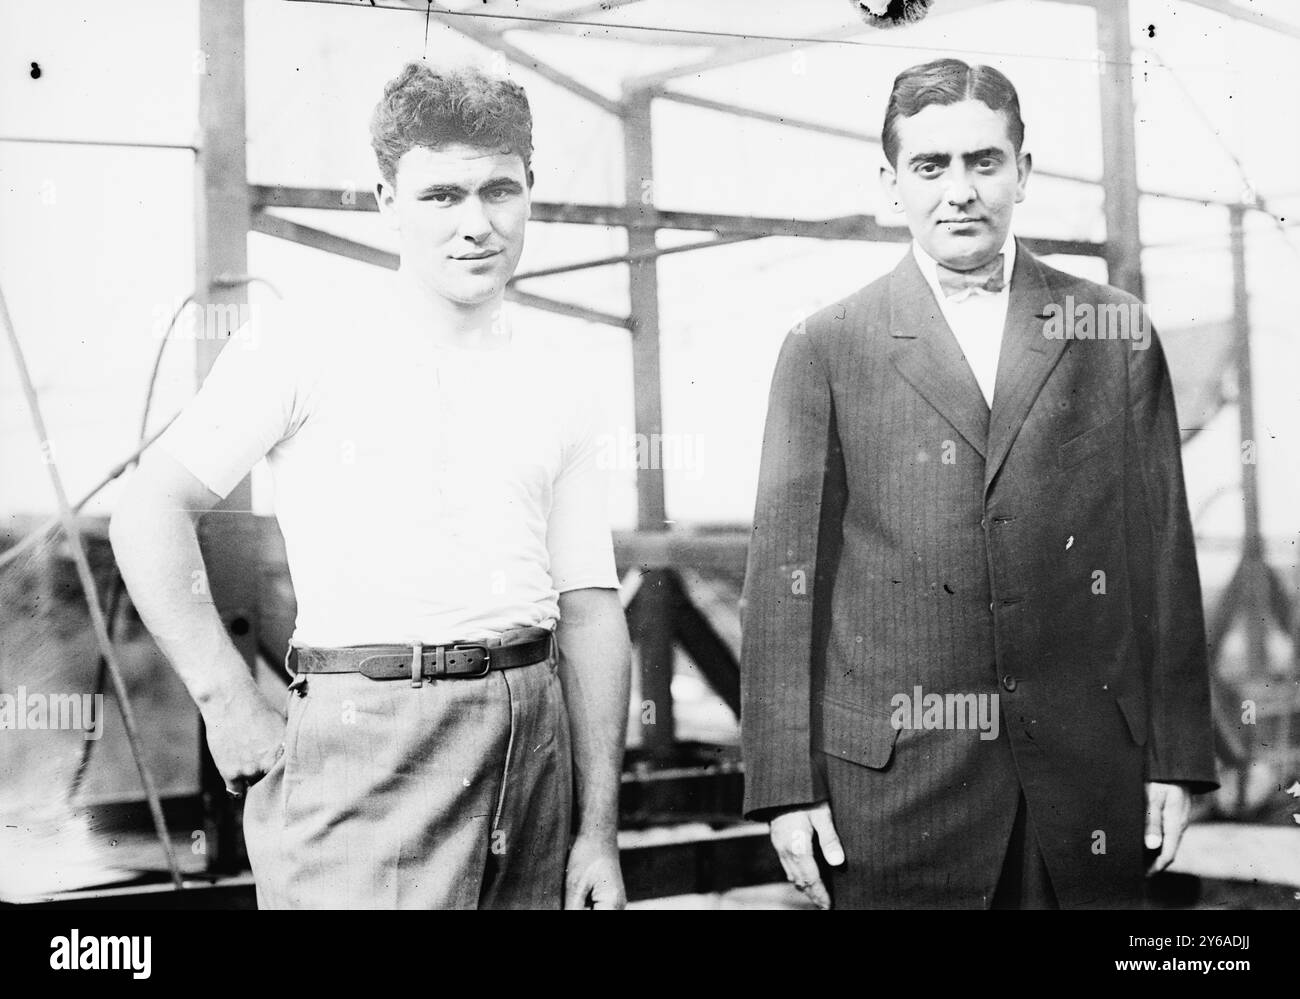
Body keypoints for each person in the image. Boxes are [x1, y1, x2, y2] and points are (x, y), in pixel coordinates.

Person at [110, 62, 630, 909]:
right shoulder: (302, 342)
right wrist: (226, 698)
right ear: (386, 200)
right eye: (441, 196)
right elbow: (149, 509)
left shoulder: (561, 375)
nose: (476, 225)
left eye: (500, 190)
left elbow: (591, 606)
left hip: (531, 745)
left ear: (531, 190)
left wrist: (598, 831)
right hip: (368, 736)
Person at [740, 58, 1217, 909]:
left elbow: (1162, 557)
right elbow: (784, 585)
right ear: (892, 184)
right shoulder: (826, 347)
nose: (959, 190)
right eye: (930, 166)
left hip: (1086, 791)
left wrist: (1178, 759)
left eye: (983, 162)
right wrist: (785, 786)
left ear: (1022, 172)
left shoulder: (1111, 329)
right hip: (891, 805)